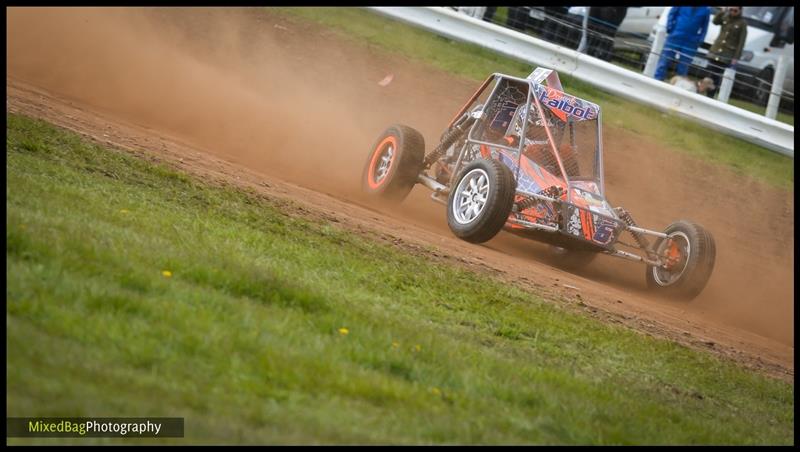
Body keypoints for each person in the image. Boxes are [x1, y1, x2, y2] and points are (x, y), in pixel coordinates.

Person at [654, 7, 711, 81]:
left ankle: (679, 86)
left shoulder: (706, 10)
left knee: (683, 67)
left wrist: (699, 40)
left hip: (691, 42)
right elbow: (671, 14)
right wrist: (670, 28)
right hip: (675, 36)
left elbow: (705, 27)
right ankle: (657, 80)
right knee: (664, 61)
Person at [705, 6, 747, 98]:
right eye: (731, 10)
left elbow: (741, 42)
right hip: (716, 51)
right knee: (709, 74)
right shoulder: (726, 17)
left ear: (740, 11)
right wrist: (722, 11)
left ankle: (710, 95)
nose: (732, 12)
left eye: (735, 10)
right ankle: (704, 92)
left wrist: (736, 57)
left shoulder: (742, 23)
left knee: (717, 77)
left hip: (727, 54)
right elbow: (715, 21)